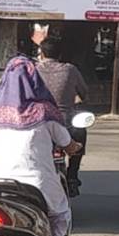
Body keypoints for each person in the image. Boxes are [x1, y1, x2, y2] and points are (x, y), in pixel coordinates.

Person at [0, 56, 80, 236]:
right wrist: (74, 147)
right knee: (62, 214)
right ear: (35, 81)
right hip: (38, 184)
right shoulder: (45, 112)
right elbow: (68, 144)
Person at [35, 37, 89, 193]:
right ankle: (72, 175)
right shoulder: (70, 70)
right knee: (80, 133)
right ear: (60, 55)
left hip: (39, 121)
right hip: (66, 122)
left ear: (42, 53)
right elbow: (84, 92)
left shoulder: (34, 69)